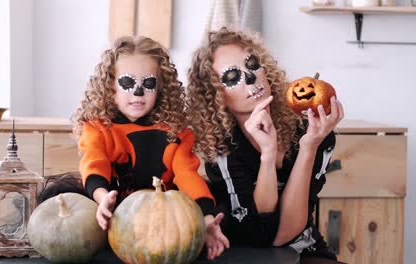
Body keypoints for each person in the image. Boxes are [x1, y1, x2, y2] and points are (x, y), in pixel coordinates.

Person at [186, 27, 344, 262]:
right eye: (232, 77)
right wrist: (268, 155)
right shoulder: (220, 150)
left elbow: (290, 232)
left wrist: (309, 146)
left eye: (251, 64)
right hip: (244, 255)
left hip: (305, 251)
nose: (250, 77)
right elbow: (266, 238)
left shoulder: (312, 130)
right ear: (216, 95)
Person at [72, 35, 229, 260]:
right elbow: (94, 163)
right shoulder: (98, 127)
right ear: (110, 85)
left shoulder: (176, 132)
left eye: (148, 83)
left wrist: (204, 218)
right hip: (114, 213)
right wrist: (102, 197)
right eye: (127, 82)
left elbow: (187, 175)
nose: (138, 92)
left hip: (163, 219)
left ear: (161, 87)